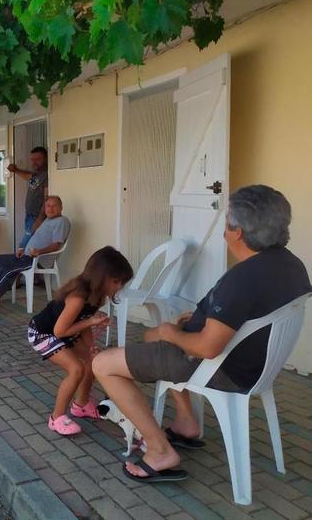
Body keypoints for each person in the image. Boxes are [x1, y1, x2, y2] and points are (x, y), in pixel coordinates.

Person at [93, 185, 311, 484]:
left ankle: (159, 451)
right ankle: (185, 423)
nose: (224, 228)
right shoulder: (290, 264)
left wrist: (173, 333)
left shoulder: (244, 277)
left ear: (237, 232)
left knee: (104, 364)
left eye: (227, 222)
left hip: (221, 367)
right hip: (256, 365)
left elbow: (207, 348)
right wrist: (200, 318)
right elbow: (245, 314)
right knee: (153, 337)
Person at [28, 247, 134, 436]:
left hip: (65, 331)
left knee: (94, 361)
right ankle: (56, 417)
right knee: (75, 368)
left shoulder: (98, 297)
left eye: (121, 282)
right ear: (100, 277)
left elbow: (83, 323)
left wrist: (91, 346)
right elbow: (59, 331)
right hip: (43, 333)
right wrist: (92, 321)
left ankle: (81, 405)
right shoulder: (77, 297)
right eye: (116, 281)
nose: (119, 286)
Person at [0, 196, 70, 318]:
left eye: (54, 206)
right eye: (48, 206)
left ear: (61, 207)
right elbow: (33, 231)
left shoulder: (62, 221)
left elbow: (56, 245)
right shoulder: (47, 219)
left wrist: (39, 252)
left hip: (36, 260)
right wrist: (23, 249)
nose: (50, 209)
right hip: (27, 256)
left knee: (7, 270)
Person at [7, 146, 49, 249]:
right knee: (30, 246)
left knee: (23, 246)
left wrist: (40, 218)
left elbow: (47, 199)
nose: (34, 162)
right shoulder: (37, 175)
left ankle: (21, 264)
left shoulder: (47, 175)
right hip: (30, 216)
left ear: (46, 158)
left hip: (37, 217)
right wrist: (15, 170)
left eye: (38, 159)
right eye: (32, 160)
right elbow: (27, 176)